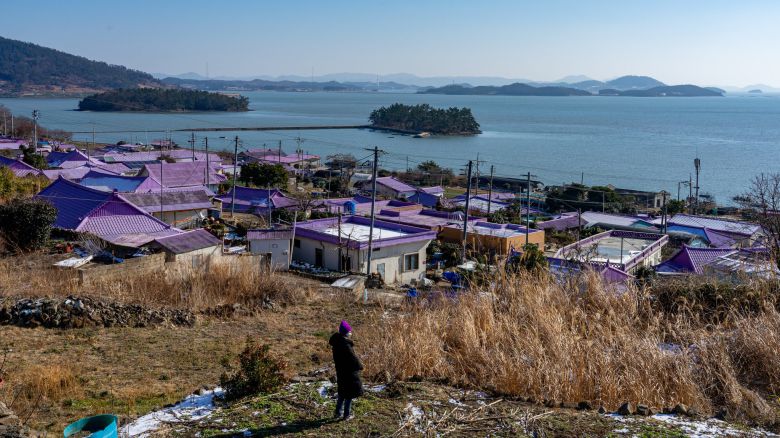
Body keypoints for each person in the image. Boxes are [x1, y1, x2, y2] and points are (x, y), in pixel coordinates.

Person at [329, 320, 363, 421]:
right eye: (349, 332)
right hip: (349, 373)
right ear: (346, 333)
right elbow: (353, 359)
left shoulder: (337, 343)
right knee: (349, 394)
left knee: (342, 393)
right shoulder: (346, 345)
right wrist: (360, 366)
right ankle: (346, 415)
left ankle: (337, 413)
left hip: (341, 372)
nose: (350, 333)